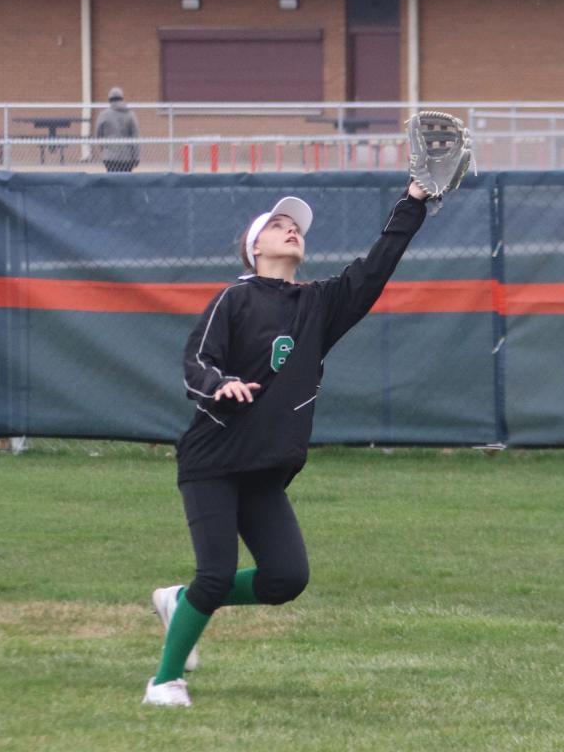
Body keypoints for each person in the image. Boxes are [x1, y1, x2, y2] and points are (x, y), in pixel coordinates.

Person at [142, 179, 431, 707]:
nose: (290, 228)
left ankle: (181, 603)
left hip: (265, 467)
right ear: (255, 249)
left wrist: (413, 202)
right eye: (277, 225)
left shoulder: (319, 305)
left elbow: (377, 266)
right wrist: (218, 385)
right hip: (214, 459)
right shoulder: (235, 298)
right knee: (217, 574)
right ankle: (164, 682)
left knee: (286, 578)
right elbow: (196, 363)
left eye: (294, 225)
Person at [95, 87, 140, 173]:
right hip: (127, 158)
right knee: (125, 182)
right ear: (122, 99)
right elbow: (135, 137)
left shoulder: (103, 115)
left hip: (110, 157)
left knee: (111, 183)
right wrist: (136, 157)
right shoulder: (130, 115)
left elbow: (98, 135)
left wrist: (104, 149)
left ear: (109, 100)